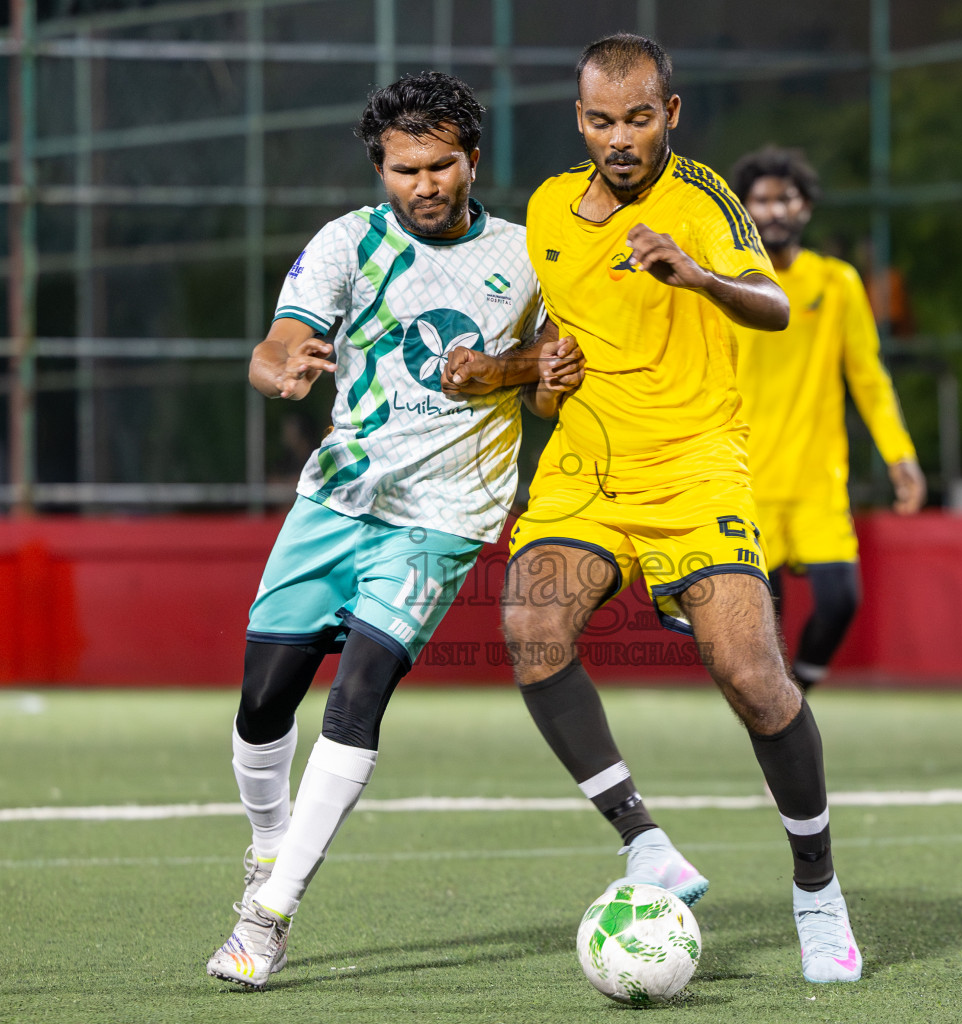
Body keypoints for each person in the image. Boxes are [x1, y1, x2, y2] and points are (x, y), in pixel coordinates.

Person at [205, 70, 584, 990]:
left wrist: (533, 376)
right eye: (405, 169)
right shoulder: (348, 241)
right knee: (263, 703)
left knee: (359, 692)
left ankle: (270, 914)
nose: (424, 184)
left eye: (441, 165)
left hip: (448, 515)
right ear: (381, 168)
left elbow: (541, 392)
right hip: (337, 498)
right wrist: (281, 370)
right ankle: (267, 841)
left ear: (472, 160)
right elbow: (274, 345)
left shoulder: (529, 254)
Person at [503, 34, 863, 984]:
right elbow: (551, 341)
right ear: (578, 119)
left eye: (637, 117)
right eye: (600, 119)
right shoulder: (545, 209)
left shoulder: (701, 198)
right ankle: (643, 842)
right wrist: (541, 377)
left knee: (753, 679)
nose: (619, 137)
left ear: (671, 111)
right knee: (532, 627)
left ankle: (818, 891)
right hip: (584, 470)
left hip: (697, 469)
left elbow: (772, 305)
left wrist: (696, 276)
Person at [730, 145, 925, 688]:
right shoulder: (728, 286)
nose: (773, 210)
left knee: (841, 602)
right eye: (761, 201)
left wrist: (900, 456)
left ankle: (797, 699)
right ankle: (777, 731)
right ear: (744, 210)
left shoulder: (837, 284)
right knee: (758, 628)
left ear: (805, 208)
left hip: (818, 482)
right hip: (746, 482)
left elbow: (868, 378)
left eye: (784, 199)